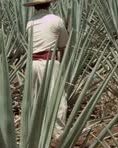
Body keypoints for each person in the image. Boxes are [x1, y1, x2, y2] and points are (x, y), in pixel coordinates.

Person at [24, 0, 69, 138]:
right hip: (49, 63)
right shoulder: (56, 20)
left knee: (34, 99)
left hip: (32, 64)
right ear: (49, 4)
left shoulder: (30, 23)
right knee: (57, 99)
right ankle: (59, 135)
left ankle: (35, 135)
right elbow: (63, 45)